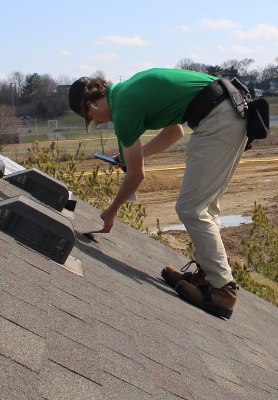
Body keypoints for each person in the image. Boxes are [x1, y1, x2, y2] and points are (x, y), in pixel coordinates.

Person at [68, 69, 247, 319]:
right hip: (230, 111)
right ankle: (208, 275)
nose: (100, 123)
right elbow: (173, 133)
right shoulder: (127, 92)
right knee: (204, 207)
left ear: (91, 105)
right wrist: (133, 157)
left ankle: (222, 289)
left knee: (190, 208)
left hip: (219, 117)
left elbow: (136, 175)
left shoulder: (122, 109)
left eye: (92, 119)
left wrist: (113, 209)